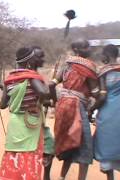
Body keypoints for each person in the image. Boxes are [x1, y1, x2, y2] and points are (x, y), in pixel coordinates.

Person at [49, 39, 99, 180]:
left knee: (69, 143)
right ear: (77, 50)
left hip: (62, 107)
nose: (89, 48)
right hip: (77, 108)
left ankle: (61, 177)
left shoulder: (66, 66)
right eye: (85, 46)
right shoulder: (88, 68)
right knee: (85, 146)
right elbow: (96, 93)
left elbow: (51, 85)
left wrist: (54, 102)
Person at [0, 47, 49, 180]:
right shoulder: (31, 77)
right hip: (30, 121)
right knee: (30, 153)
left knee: (14, 154)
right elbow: (43, 93)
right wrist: (38, 104)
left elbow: (2, 105)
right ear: (29, 62)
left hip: (15, 123)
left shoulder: (9, 79)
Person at [94, 44, 120, 180]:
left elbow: (102, 96)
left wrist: (91, 109)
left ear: (107, 55)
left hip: (108, 113)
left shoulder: (104, 72)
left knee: (108, 146)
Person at [32, 46, 55, 180]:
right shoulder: (32, 76)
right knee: (49, 146)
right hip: (32, 119)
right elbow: (44, 97)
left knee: (48, 147)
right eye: (39, 56)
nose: (43, 59)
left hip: (37, 118)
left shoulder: (36, 76)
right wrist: (50, 95)